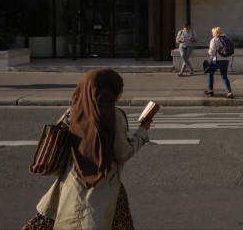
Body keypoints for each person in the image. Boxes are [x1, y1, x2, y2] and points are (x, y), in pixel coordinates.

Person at [23, 68, 151, 229]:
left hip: (72, 181)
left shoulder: (72, 112)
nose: (121, 92)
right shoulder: (115, 116)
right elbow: (122, 154)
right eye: (118, 88)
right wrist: (143, 130)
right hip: (106, 185)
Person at [204, 26, 234, 98]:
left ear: (215, 32)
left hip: (217, 60)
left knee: (209, 72)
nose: (212, 34)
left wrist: (209, 52)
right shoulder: (226, 39)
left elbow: (212, 51)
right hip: (226, 60)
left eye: (212, 32)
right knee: (224, 76)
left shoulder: (214, 40)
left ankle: (210, 89)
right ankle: (229, 92)